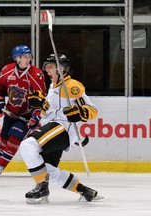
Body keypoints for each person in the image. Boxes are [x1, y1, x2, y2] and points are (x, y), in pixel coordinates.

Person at [19, 53, 101, 204]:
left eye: (50, 67)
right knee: (47, 168)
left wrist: (79, 113)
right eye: (46, 67)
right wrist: (41, 103)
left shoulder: (71, 86)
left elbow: (92, 109)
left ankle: (41, 187)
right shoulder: (53, 86)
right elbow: (51, 111)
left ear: (61, 69)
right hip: (53, 128)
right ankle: (85, 191)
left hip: (62, 128)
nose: (47, 70)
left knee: (27, 146)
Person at [0, 45, 47, 176]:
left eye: (29, 56)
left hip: (26, 115)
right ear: (17, 58)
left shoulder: (36, 73)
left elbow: (40, 96)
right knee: (4, 137)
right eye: (25, 57)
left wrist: (36, 114)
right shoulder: (7, 70)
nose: (28, 59)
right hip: (11, 112)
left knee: (14, 137)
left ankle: (0, 166)